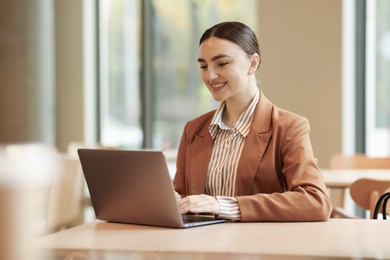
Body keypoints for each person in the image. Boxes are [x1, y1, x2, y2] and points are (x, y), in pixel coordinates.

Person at [173, 21, 332, 222]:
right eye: (203, 66)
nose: (210, 75)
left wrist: (223, 205)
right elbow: (181, 195)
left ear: (253, 63)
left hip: (260, 248)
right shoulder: (194, 130)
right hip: (202, 248)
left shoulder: (289, 127)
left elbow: (316, 201)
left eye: (222, 63)